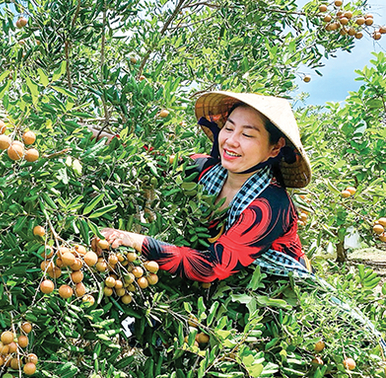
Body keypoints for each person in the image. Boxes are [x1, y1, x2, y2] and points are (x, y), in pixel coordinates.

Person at [100, 91, 313, 283]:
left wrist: (135, 240)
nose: (231, 141)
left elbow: (212, 266)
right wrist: (106, 140)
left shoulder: (270, 205)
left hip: (273, 296)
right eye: (229, 128)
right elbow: (159, 162)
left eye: (247, 135)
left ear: (275, 148)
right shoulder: (208, 169)